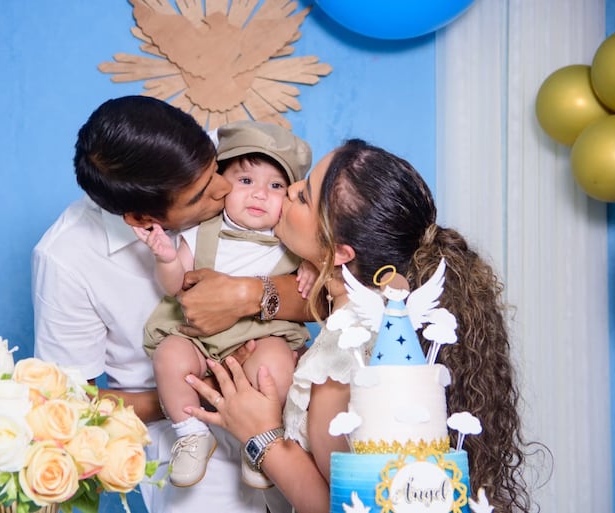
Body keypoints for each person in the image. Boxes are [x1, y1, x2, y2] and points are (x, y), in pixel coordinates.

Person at [184, 139, 540, 513]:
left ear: (340, 252)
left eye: (304, 196)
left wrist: (263, 436)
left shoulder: (343, 357)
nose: (289, 189)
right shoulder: (381, 318)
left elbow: (347, 506)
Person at [32, 95, 310, 513]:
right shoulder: (66, 258)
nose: (225, 187)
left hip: (284, 406)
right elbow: (72, 406)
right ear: (145, 221)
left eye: (214, 166)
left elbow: (336, 290)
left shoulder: (236, 158)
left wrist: (246, 295)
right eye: (201, 194)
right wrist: (209, 391)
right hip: (184, 444)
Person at [136, 121, 317, 488]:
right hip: (198, 340)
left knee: (277, 364)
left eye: (276, 186)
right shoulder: (201, 231)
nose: (259, 194)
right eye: (246, 181)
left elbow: (321, 287)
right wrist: (168, 259)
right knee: (170, 355)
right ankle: (190, 433)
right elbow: (175, 287)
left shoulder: (291, 239)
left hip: (262, 336)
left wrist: (313, 267)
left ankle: (265, 438)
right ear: (220, 185)